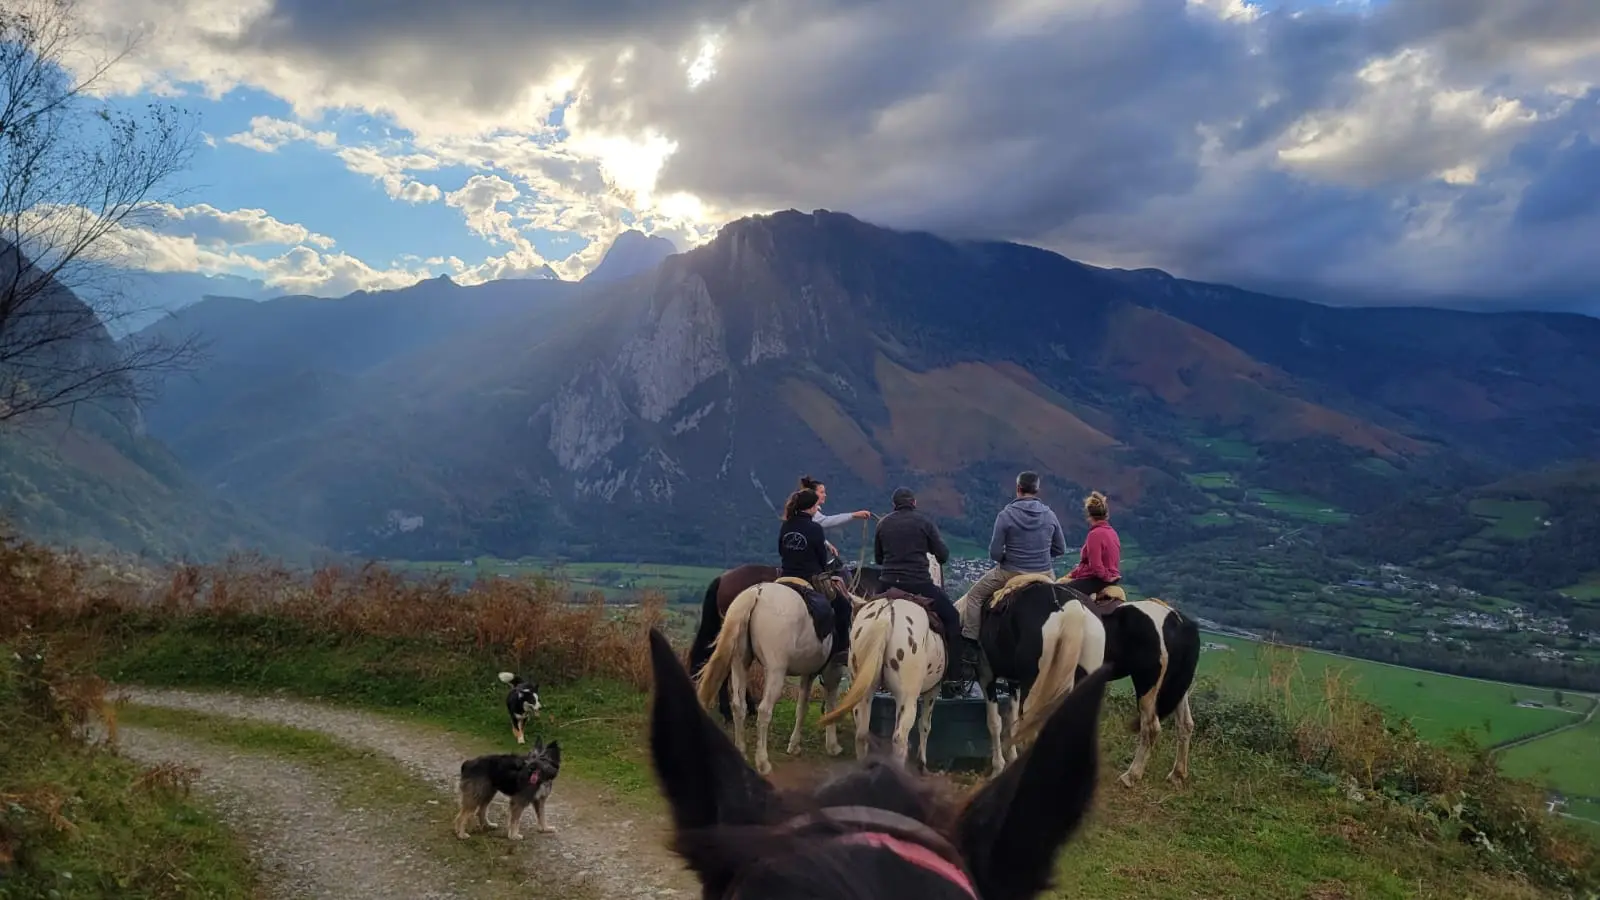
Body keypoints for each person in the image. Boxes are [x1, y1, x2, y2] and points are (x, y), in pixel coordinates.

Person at [958, 471, 1067, 645]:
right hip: (1045, 574)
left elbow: (994, 552)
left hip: (1010, 572)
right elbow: (1060, 548)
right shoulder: (1050, 515)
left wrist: (1008, 558)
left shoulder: (1006, 515)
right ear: (1037, 490)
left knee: (974, 597)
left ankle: (970, 643)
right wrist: (1041, 555)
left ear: (1018, 488)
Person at [871, 487, 962, 683]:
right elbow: (943, 556)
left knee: (861, 614)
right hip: (919, 584)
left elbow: (878, 559)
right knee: (953, 618)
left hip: (887, 585)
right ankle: (954, 678)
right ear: (914, 503)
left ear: (894, 505)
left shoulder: (883, 523)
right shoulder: (924, 522)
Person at [778, 488, 853, 658]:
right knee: (843, 606)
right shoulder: (815, 528)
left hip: (785, 576)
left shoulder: (786, 525)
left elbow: (781, 550)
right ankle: (840, 651)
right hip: (809, 578)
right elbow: (821, 557)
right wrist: (824, 572)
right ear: (812, 507)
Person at [797, 475, 871, 571]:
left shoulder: (798, 514)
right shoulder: (809, 514)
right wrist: (854, 515)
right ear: (813, 495)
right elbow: (825, 521)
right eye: (822, 492)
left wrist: (826, 543)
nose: (825, 495)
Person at [1062, 491, 1121, 599]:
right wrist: (1072, 574)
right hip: (1110, 577)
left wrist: (1107, 577)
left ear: (1089, 515)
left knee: (1060, 592)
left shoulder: (1094, 535)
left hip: (1097, 580)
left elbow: (1096, 566)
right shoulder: (1112, 532)